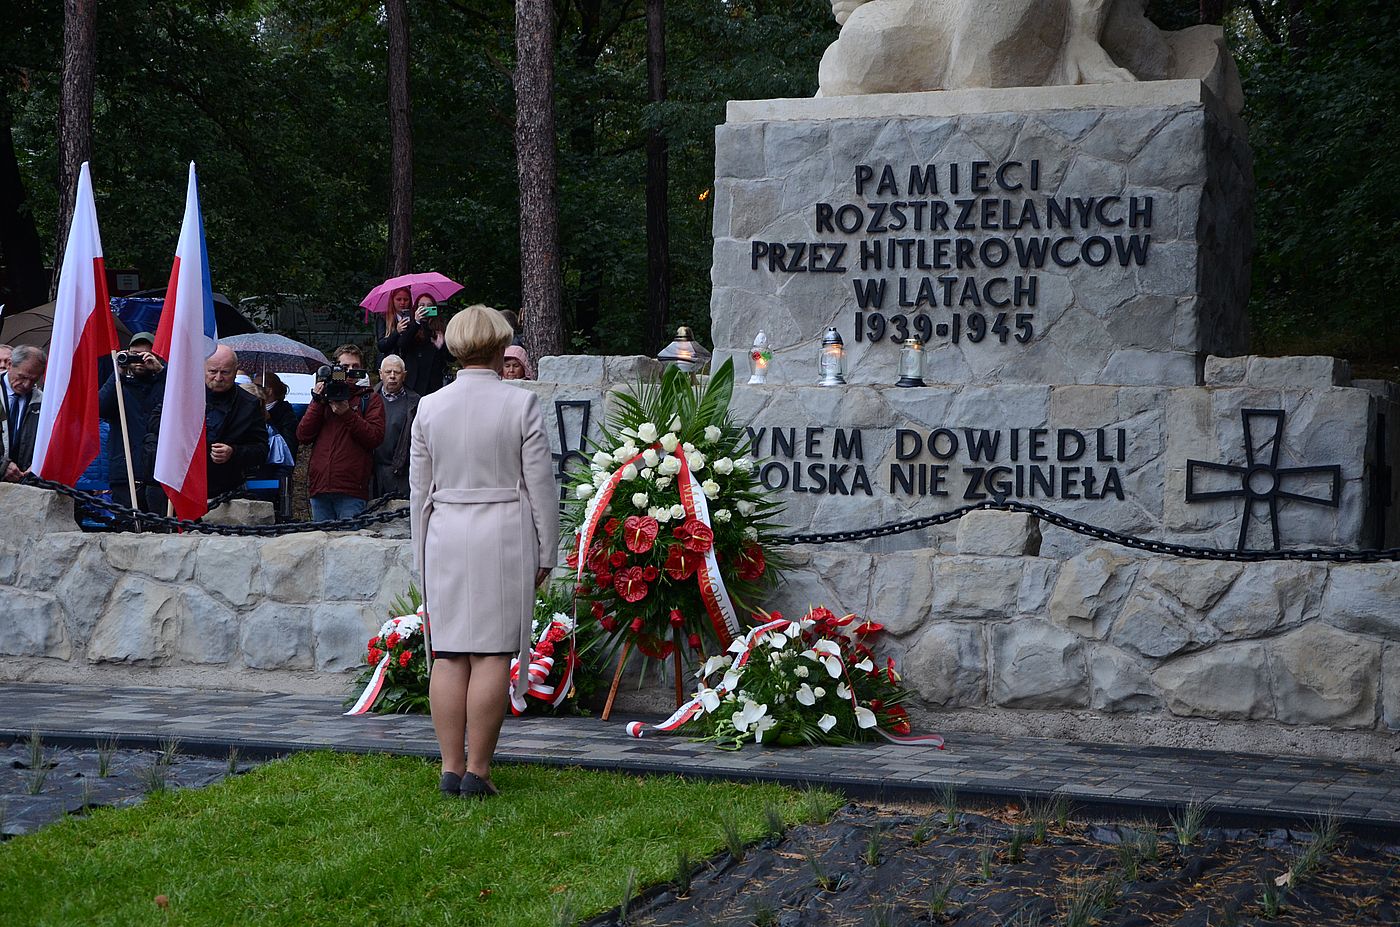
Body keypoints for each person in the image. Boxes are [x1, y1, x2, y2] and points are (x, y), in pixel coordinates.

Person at [410, 304, 558, 798]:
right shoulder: (521, 404)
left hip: (446, 532)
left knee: (449, 653)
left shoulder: (429, 406)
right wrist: (547, 550)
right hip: (503, 533)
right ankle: (479, 770)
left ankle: (451, 768)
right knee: (493, 652)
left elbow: (418, 491)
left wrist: (420, 554)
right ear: (500, 347)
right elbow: (541, 485)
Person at [143, 344, 268, 502]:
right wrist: (182, 433)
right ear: (203, 369)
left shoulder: (249, 404)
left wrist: (233, 452)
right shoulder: (182, 394)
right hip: (178, 482)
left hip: (224, 488)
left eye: (225, 372)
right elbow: (153, 422)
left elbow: (261, 450)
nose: (218, 378)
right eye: (213, 371)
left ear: (236, 371)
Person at [297, 343, 385, 521]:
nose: (350, 371)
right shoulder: (323, 399)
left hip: (351, 489)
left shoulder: (369, 399)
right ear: (335, 368)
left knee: (349, 545)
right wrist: (317, 401)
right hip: (321, 487)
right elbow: (303, 435)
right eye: (344, 367)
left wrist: (347, 414)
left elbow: (374, 437)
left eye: (355, 367)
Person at [97, 332, 165, 511]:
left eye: (143, 355)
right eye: (134, 354)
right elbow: (100, 408)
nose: (138, 360)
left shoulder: (163, 383)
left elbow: (179, 405)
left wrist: (160, 372)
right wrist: (117, 372)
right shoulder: (119, 387)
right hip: (125, 471)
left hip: (159, 473)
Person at [376, 288, 449, 396]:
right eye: (422, 305)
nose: (425, 309)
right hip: (413, 378)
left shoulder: (440, 326)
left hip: (434, 379)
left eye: (429, 305)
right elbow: (401, 344)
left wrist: (441, 344)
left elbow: (450, 356)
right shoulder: (411, 323)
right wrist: (415, 322)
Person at [371, 354, 419, 500]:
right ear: (380, 374)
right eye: (388, 372)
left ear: (404, 376)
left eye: (397, 372)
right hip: (373, 472)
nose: (392, 376)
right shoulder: (368, 399)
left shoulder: (416, 404)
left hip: (403, 474)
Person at [1, 345, 46, 481]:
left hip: (24, 482)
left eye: (33, 380)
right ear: (9, 364)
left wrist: (38, 465)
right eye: (22, 377)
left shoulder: (42, 400)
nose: (26, 385)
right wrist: (2, 465)